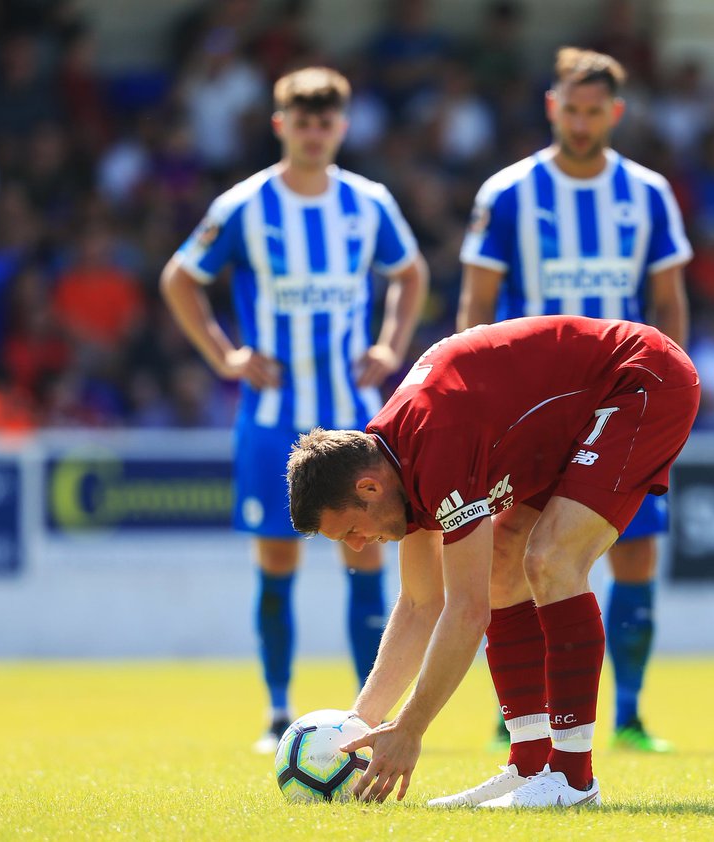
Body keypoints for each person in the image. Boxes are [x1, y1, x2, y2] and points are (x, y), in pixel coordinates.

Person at [287, 315, 700, 807]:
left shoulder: (435, 443)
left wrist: (412, 728)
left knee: (551, 559)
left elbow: (465, 610)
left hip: (641, 378)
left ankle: (573, 778)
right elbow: (420, 605)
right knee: (503, 566)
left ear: (368, 488)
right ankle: (529, 767)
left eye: (351, 530)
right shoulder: (394, 462)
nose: (357, 546)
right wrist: (358, 728)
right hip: (576, 414)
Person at [161, 66, 429, 753]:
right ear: (281, 125)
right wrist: (225, 355)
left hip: (353, 417)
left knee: (366, 555)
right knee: (276, 560)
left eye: (326, 121)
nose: (315, 133)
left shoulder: (368, 203)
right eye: (302, 122)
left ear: (342, 126)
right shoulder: (245, 205)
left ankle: (363, 714)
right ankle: (278, 711)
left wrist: (391, 343)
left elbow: (411, 271)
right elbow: (180, 278)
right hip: (274, 415)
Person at [458, 46, 691, 753]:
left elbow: (669, 301)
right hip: (535, 412)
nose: (581, 122)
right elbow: (477, 305)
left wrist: (668, 398)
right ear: (552, 106)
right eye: (571, 109)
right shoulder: (507, 193)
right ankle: (522, 709)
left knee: (634, 560)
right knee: (516, 555)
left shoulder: (648, 193)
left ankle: (628, 710)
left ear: (614, 113)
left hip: (623, 407)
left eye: (595, 111)